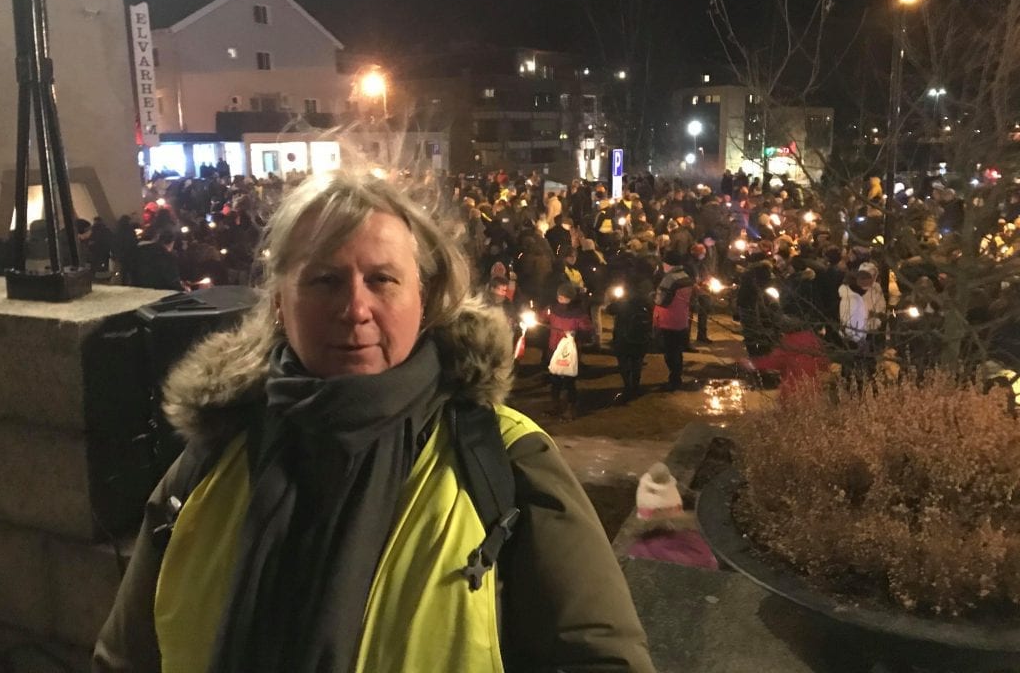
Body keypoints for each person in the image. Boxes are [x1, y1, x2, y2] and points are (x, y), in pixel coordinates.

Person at [93, 172, 653, 673]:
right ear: (280, 302)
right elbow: (124, 657)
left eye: (382, 279)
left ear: (426, 297)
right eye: (324, 281)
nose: (354, 309)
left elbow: (601, 656)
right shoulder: (214, 451)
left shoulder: (505, 460)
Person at [545, 281, 594, 420]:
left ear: (570, 298)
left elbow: (588, 331)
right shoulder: (553, 308)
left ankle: (570, 408)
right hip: (553, 349)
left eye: (563, 297)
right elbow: (543, 317)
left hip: (569, 353)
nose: (560, 299)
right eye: (559, 296)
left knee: (569, 382)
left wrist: (576, 334)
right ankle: (555, 405)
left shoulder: (578, 313)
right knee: (554, 380)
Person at [607, 276, 655, 404]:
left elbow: (610, 310)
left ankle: (627, 386)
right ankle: (636, 386)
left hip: (623, 337)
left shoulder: (623, 302)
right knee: (637, 361)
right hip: (641, 338)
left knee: (623, 361)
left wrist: (615, 299)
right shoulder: (646, 301)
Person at [653, 251, 696, 391]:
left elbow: (661, 301)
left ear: (669, 264)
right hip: (681, 319)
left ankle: (674, 379)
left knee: (670, 352)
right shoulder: (686, 277)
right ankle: (676, 377)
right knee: (677, 351)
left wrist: (652, 296)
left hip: (668, 320)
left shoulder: (670, 279)